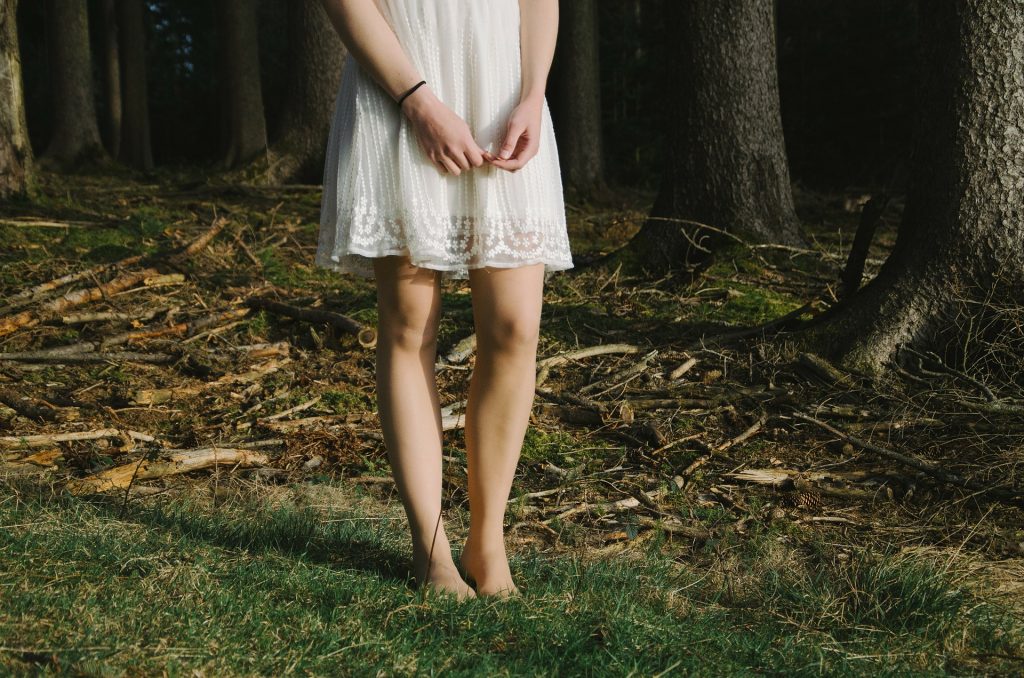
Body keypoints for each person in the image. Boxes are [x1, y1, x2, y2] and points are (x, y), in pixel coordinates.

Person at [316, 0, 573, 600]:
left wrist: (533, 91)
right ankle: (429, 550)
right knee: (410, 326)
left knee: (515, 329)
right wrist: (418, 103)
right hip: (402, 88)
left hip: (502, 91)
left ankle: (488, 541)